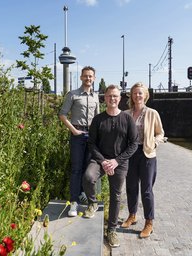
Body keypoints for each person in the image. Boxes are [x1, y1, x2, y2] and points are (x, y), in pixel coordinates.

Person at [82, 85, 138, 247]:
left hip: (119, 162)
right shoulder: (98, 119)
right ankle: (92, 202)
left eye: (115, 96)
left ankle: (111, 231)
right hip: (100, 160)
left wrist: (116, 161)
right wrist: (103, 161)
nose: (112, 99)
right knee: (88, 177)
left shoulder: (127, 119)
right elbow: (91, 144)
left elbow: (133, 144)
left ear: (120, 99)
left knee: (116, 195)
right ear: (104, 98)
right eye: (109, 96)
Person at [121, 82, 165, 238]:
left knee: (146, 190)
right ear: (131, 96)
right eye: (135, 93)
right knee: (131, 187)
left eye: (140, 93)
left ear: (145, 95)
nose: (137, 96)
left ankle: (149, 223)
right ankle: (132, 215)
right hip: (130, 154)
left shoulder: (152, 113)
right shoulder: (125, 114)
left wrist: (154, 142)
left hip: (147, 154)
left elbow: (160, 133)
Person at [59, 66, 100, 217]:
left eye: (91, 76)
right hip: (77, 134)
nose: (88, 78)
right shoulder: (73, 95)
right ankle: (74, 202)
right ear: (81, 77)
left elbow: (97, 118)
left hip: (92, 135)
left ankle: (83, 193)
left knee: (87, 168)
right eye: (85, 76)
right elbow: (62, 114)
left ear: (94, 78)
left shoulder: (96, 97)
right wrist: (73, 130)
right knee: (76, 169)